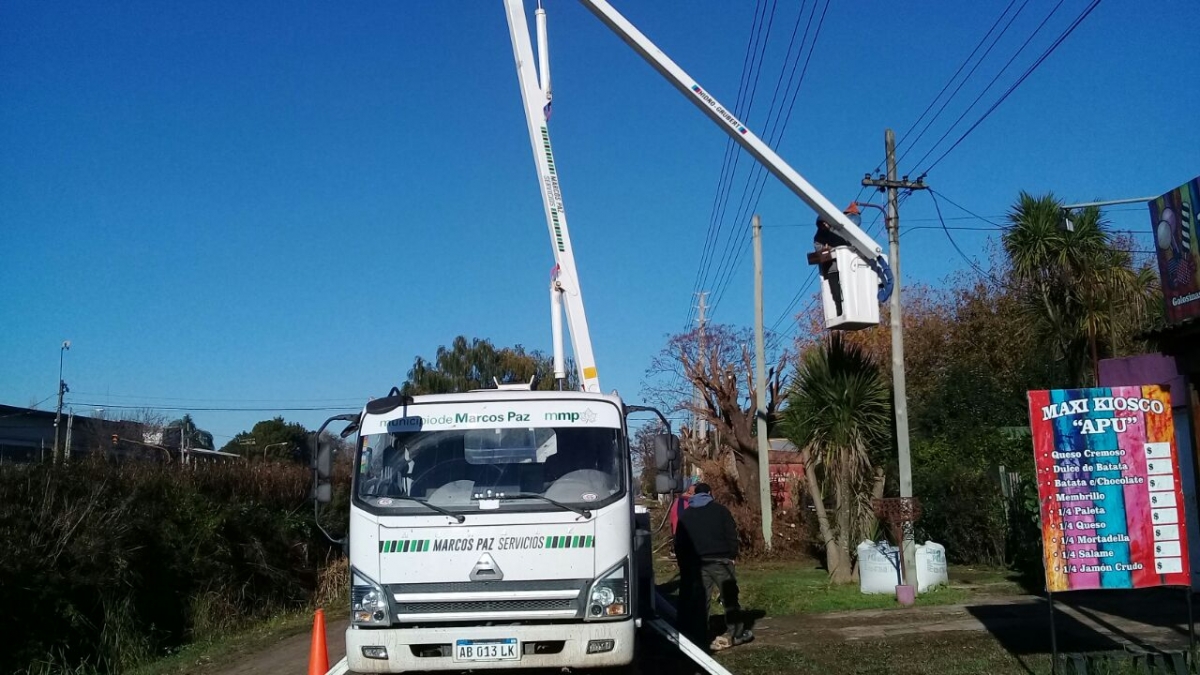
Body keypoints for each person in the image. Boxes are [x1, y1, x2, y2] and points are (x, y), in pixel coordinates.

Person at [674, 483, 753, 650]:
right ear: (710, 493)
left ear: (694, 494)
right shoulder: (721, 511)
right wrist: (732, 555)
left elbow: (680, 543)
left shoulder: (687, 515)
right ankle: (736, 634)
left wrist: (684, 564)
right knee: (730, 598)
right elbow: (731, 535)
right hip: (721, 561)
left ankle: (700, 636)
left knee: (701, 600)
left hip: (697, 564)